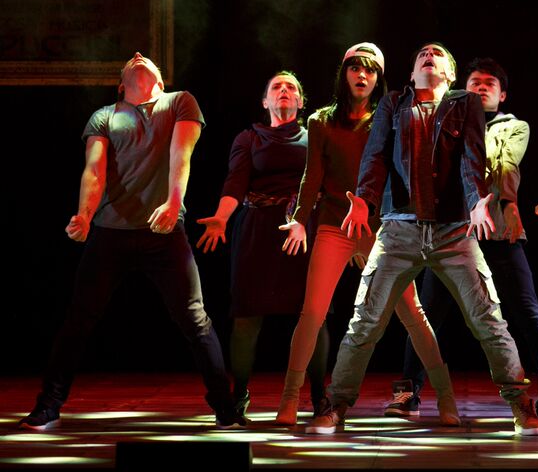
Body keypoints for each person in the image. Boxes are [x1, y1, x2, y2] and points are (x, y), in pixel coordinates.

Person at [305, 42, 538, 436]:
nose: (428, 55)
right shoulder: (393, 104)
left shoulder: (465, 103)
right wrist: (364, 199)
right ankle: (336, 405)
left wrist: (477, 203)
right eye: (421, 55)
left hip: (453, 231)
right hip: (399, 230)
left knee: (488, 318)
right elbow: (376, 156)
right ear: (412, 73)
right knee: (365, 320)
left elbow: (472, 158)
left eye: (437, 54)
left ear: (449, 73)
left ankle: (520, 404)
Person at [20, 54, 237, 430]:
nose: (138, 54)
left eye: (146, 59)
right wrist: (84, 215)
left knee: (195, 319)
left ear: (160, 81)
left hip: (164, 234)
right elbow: (94, 170)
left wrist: (173, 203)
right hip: (110, 232)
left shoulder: (179, 101)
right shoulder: (104, 116)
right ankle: (48, 406)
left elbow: (181, 153)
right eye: (131, 60)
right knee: (79, 319)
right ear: (122, 85)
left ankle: (225, 407)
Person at [275, 43, 456, 427]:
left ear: (379, 79)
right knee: (312, 312)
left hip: (381, 229)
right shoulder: (322, 121)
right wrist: (299, 218)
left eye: (370, 70)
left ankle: (445, 397)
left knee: (412, 313)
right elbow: (312, 177)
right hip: (335, 225)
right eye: (355, 68)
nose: (362, 75)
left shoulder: (388, 118)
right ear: (343, 74)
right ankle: (289, 398)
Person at [396, 58, 538, 420]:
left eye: (490, 83)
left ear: (502, 95)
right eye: (475, 82)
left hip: (498, 229)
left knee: (526, 312)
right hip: (452, 232)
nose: (482, 87)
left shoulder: (514, 126)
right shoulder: (446, 121)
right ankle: (408, 389)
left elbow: (503, 166)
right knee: (427, 313)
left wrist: (466, 149)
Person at [196, 71, 314, 421]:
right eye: (276, 87)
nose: (284, 90)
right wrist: (221, 217)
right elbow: (235, 182)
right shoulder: (249, 138)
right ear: (265, 101)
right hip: (256, 230)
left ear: (301, 101)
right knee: (247, 317)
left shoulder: (313, 137)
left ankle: (320, 396)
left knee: (313, 315)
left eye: (291, 87)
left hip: (301, 230)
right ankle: (239, 394)